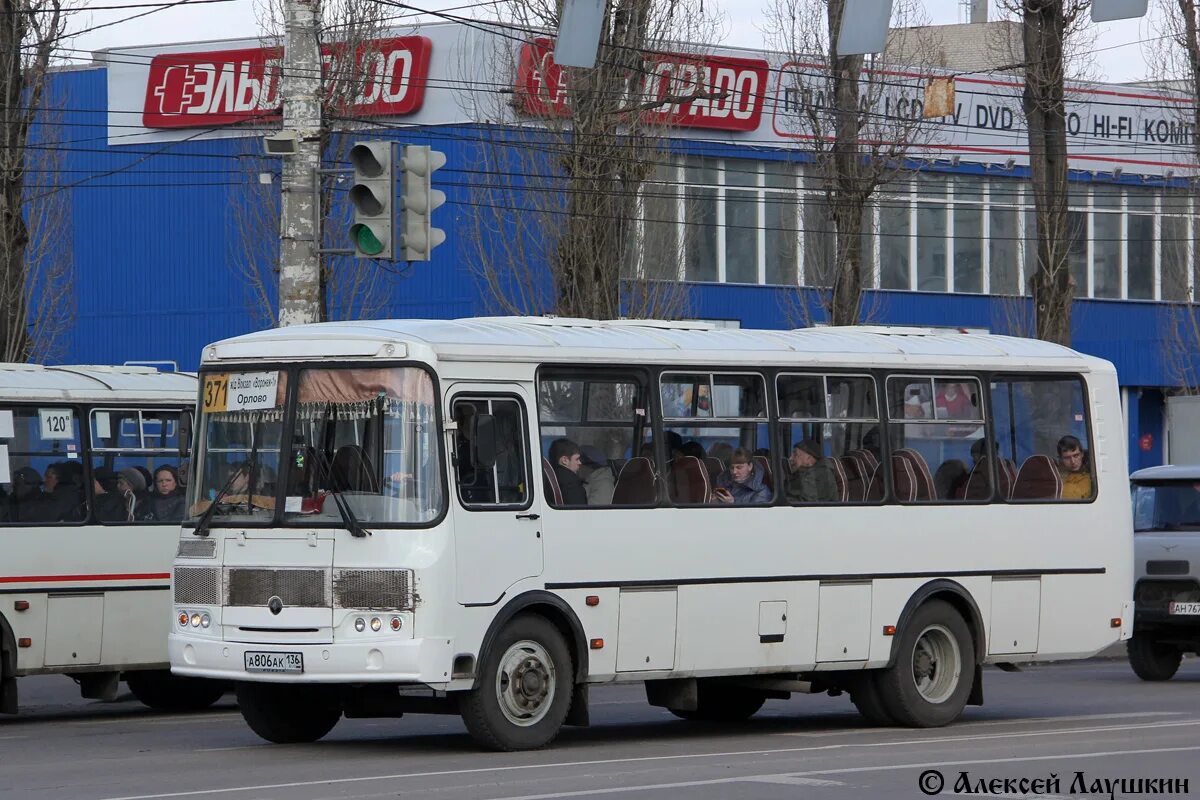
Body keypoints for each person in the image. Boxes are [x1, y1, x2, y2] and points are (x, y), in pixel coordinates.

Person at [549, 438, 588, 506]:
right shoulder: (571, 483)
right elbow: (579, 512)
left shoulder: (550, 476)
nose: (580, 462)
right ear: (565, 460)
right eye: (577, 459)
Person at [1057, 435, 1092, 500]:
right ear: (1061, 459)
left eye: (1076, 455)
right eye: (1067, 458)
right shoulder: (1055, 476)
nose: (1073, 461)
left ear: (1082, 454)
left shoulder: (1092, 475)